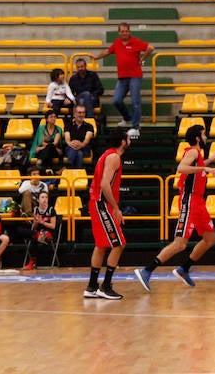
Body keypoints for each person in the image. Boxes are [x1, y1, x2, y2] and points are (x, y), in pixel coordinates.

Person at [135, 124, 215, 291]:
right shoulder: (193, 151)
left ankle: (184, 268)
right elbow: (181, 168)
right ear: (197, 137)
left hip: (199, 203)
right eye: (204, 135)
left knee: (210, 239)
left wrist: (210, 161)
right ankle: (146, 270)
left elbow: (197, 166)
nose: (206, 138)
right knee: (180, 243)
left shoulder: (198, 155)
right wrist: (204, 167)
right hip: (189, 201)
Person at [84, 128, 130, 300]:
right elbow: (105, 185)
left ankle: (91, 286)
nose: (129, 141)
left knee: (101, 245)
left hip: (97, 203)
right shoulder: (114, 157)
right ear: (123, 141)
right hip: (102, 204)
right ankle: (105, 286)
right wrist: (116, 208)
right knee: (119, 244)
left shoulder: (107, 155)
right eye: (128, 138)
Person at [89, 22, 154, 138]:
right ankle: (127, 118)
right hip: (122, 76)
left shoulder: (135, 41)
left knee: (135, 102)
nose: (124, 33)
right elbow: (108, 51)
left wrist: (142, 58)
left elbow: (150, 48)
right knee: (116, 100)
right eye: (122, 31)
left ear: (129, 31)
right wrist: (97, 57)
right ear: (119, 32)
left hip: (135, 75)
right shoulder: (117, 42)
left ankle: (136, 127)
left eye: (126, 31)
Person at [23, 190, 58, 270]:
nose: (45, 199)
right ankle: (32, 261)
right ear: (38, 200)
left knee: (33, 238)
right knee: (23, 231)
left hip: (49, 233)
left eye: (46, 197)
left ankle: (32, 262)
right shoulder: (36, 210)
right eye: (42, 197)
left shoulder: (51, 210)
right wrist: (36, 222)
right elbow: (34, 227)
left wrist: (42, 222)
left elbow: (53, 226)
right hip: (38, 232)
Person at [64, 105, 95, 170]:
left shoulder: (89, 126)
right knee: (79, 153)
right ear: (74, 114)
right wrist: (71, 144)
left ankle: (67, 167)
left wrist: (81, 145)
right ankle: (79, 173)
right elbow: (67, 139)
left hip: (85, 149)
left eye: (83, 112)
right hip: (70, 148)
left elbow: (86, 140)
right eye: (79, 112)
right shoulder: (68, 125)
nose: (82, 115)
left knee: (78, 152)